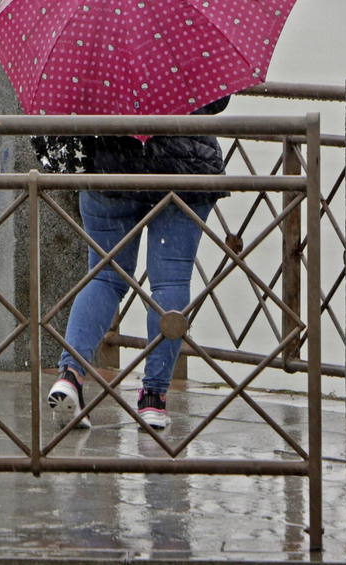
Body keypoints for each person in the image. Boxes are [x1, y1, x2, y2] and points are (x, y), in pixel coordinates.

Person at [46, 96, 230, 430]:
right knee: (170, 283)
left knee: (105, 276)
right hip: (183, 168)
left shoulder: (99, 43)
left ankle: (70, 376)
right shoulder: (187, 42)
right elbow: (216, 101)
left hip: (110, 164)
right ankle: (153, 399)